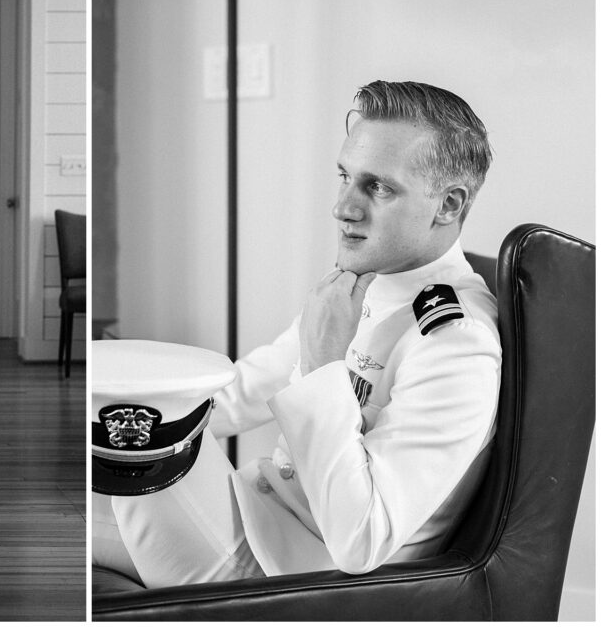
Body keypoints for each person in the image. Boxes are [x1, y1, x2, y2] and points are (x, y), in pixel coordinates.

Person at [92, 80, 500, 588]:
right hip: (257, 520)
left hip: (294, 578)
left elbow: (362, 539)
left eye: (378, 187)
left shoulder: (456, 343)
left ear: (449, 204)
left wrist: (325, 366)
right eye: (345, 177)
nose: (343, 208)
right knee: (124, 440)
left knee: (135, 439)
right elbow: (244, 391)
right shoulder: (366, 284)